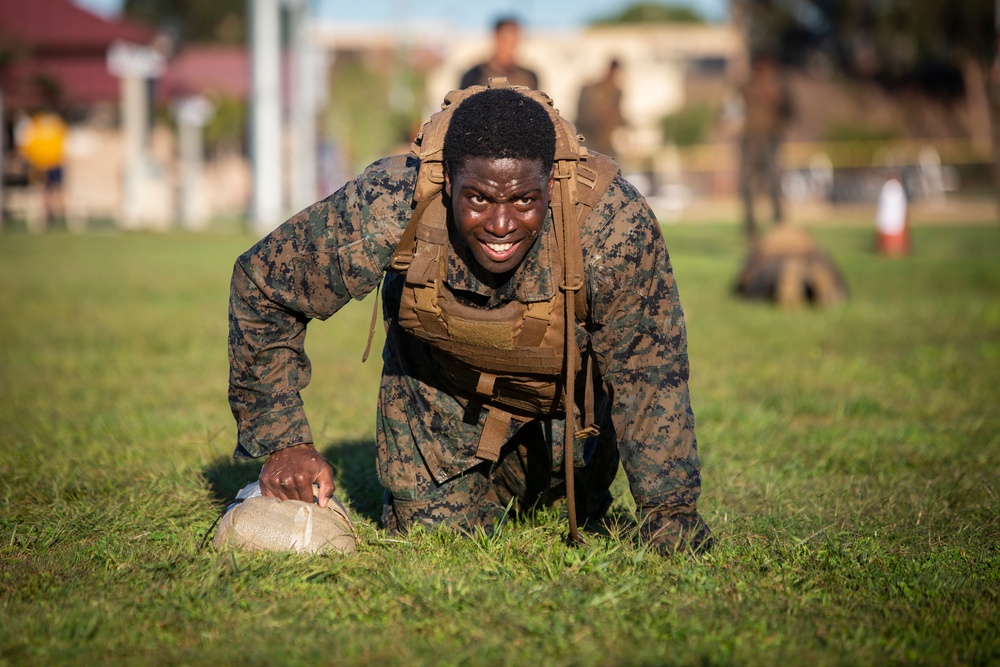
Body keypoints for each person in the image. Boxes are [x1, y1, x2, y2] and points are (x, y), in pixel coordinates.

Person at [228, 83, 711, 555]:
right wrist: (283, 440)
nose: (501, 225)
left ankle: (556, 488)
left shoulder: (610, 224)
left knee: (570, 507)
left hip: (565, 424)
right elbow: (264, 284)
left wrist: (670, 515)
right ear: (449, 182)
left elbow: (649, 372)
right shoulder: (394, 201)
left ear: (551, 182)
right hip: (438, 408)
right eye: (478, 198)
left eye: (524, 200)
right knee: (431, 546)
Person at [737, 53, 793, 240]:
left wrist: (778, 100)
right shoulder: (745, 87)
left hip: (770, 138)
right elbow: (731, 111)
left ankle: (779, 224)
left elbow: (791, 112)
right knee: (746, 184)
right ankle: (751, 228)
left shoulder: (779, 87)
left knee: (774, 182)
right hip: (750, 139)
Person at [459, 18, 539, 90]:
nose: (510, 45)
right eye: (505, 39)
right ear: (496, 37)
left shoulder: (528, 76)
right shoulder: (475, 74)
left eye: (514, 40)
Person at [574, 59, 624, 159]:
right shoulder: (591, 90)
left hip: (605, 144)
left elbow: (618, 117)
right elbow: (584, 117)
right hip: (590, 142)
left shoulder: (616, 92)